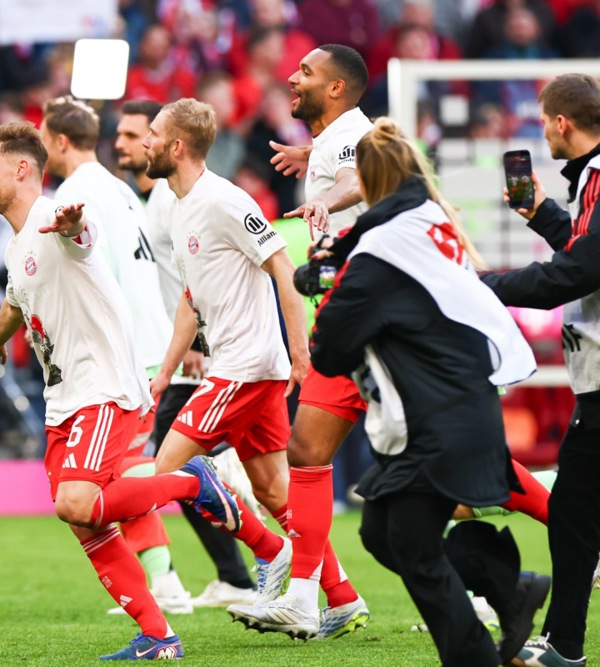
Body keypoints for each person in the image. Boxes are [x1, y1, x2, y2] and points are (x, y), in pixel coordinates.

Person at [0, 120, 243, 660]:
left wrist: (74, 227)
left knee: (77, 500)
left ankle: (192, 482)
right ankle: (159, 637)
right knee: (83, 520)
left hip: (101, 387)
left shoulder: (53, 217)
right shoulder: (16, 244)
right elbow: (17, 299)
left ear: (23, 169)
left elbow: (82, 239)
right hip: (61, 400)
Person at [310, 115, 548, 666]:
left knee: (412, 547)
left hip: (435, 418)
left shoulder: (380, 251)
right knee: (381, 533)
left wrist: (331, 283)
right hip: (456, 406)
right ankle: (508, 589)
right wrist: (339, 267)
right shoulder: (428, 221)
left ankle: (482, 642)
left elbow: (330, 350)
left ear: (365, 183)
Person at [141, 98, 310, 615]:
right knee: (275, 491)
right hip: (237, 365)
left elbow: (284, 267)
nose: (145, 142)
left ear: (176, 146)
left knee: (168, 470)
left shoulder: (225, 200)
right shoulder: (178, 206)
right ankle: (340, 595)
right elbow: (192, 300)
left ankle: (271, 551)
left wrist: (299, 351)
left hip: (245, 365)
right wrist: (167, 369)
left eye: (151, 133)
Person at [228, 44, 372, 638]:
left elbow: (358, 176)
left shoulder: (351, 138)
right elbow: (352, 157)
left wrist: (321, 198)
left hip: (371, 317)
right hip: (348, 315)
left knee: (458, 469)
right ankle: (312, 600)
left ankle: (573, 528)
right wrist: (313, 156)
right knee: (307, 453)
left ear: (335, 88)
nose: (292, 76)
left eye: (307, 72)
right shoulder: (342, 134)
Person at [41, 96, 189, 614]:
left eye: (43, 135)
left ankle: (197, 496)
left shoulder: (75, 194)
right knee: (118, 472)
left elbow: (90, 276)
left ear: (59, 140)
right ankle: (163, 579)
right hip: (146, 339)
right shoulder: (120, 188)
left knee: (118, 474)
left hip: (122, 351)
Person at [115, 99, 258, 608]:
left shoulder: (177, 200)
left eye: (137, 134)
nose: (127, 144)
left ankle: (237, 510)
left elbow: (194, 279)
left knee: (177, 463)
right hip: (181, 349)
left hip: (206, 353)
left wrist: (194, 345)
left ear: (172, 143)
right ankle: (239, 573)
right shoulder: (159, 199)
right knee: (200, 466)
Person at [480, 73, 600, 667]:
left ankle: (564, 647)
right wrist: (540, 212)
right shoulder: (591, 181)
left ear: (560, 124)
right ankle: (563, 645)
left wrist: (484, 287)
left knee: (575, 512)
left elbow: (576, 274)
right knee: (576, 513)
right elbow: (582, 251)